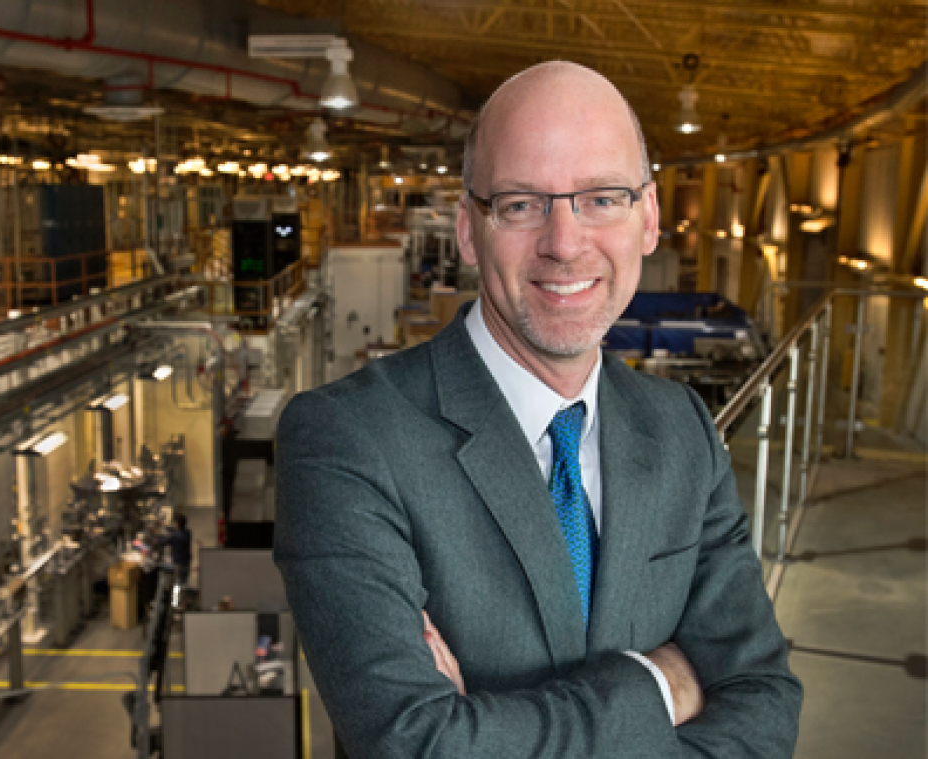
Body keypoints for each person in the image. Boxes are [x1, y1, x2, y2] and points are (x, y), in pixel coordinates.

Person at [274, 61, 801, 757]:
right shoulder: (347, 440)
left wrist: (487, 727)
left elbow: (765, 702)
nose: (564, 242)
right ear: (468, 229)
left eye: (602, 198)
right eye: (521, 204)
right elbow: (418, 745)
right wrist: (662, 683)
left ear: (647, 218)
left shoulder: (682, 430)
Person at [163, 513, 193, 587]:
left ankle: (176, 599)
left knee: (177, 584)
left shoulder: (174, 536)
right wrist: (166, 527)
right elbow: (175, 530)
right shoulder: (188, 533)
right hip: (186, 563)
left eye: (175, 523)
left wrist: (156, 535)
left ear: (177, 524)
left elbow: (163, 541)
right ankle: (181, 597)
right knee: (183, 583)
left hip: (178, 564)